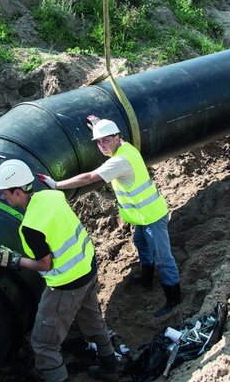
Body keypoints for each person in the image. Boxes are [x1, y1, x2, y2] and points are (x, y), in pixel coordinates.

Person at [0, 159, 119, 382]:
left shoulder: (31, 226)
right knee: (93, 321)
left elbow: (44, 264)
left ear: (17, 191)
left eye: (4, 191)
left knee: (44, 343)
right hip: (88, 268)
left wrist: (12, 260)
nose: (1, 195)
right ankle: (110, 367)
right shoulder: (51, 195)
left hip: (66, 284)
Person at [37, 117, 182, 317]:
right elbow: (107, 136)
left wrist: (56, 185)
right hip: (142, 216)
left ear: (116, 137)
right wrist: (97, 124)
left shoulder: (119, 161)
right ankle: (147, 279)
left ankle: (174, 300)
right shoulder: (125, 146)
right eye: (98, 141)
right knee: (140, 241)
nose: (102, 145)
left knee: (163, 258)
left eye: (106, 140)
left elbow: (89, 178)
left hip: (152, 217)